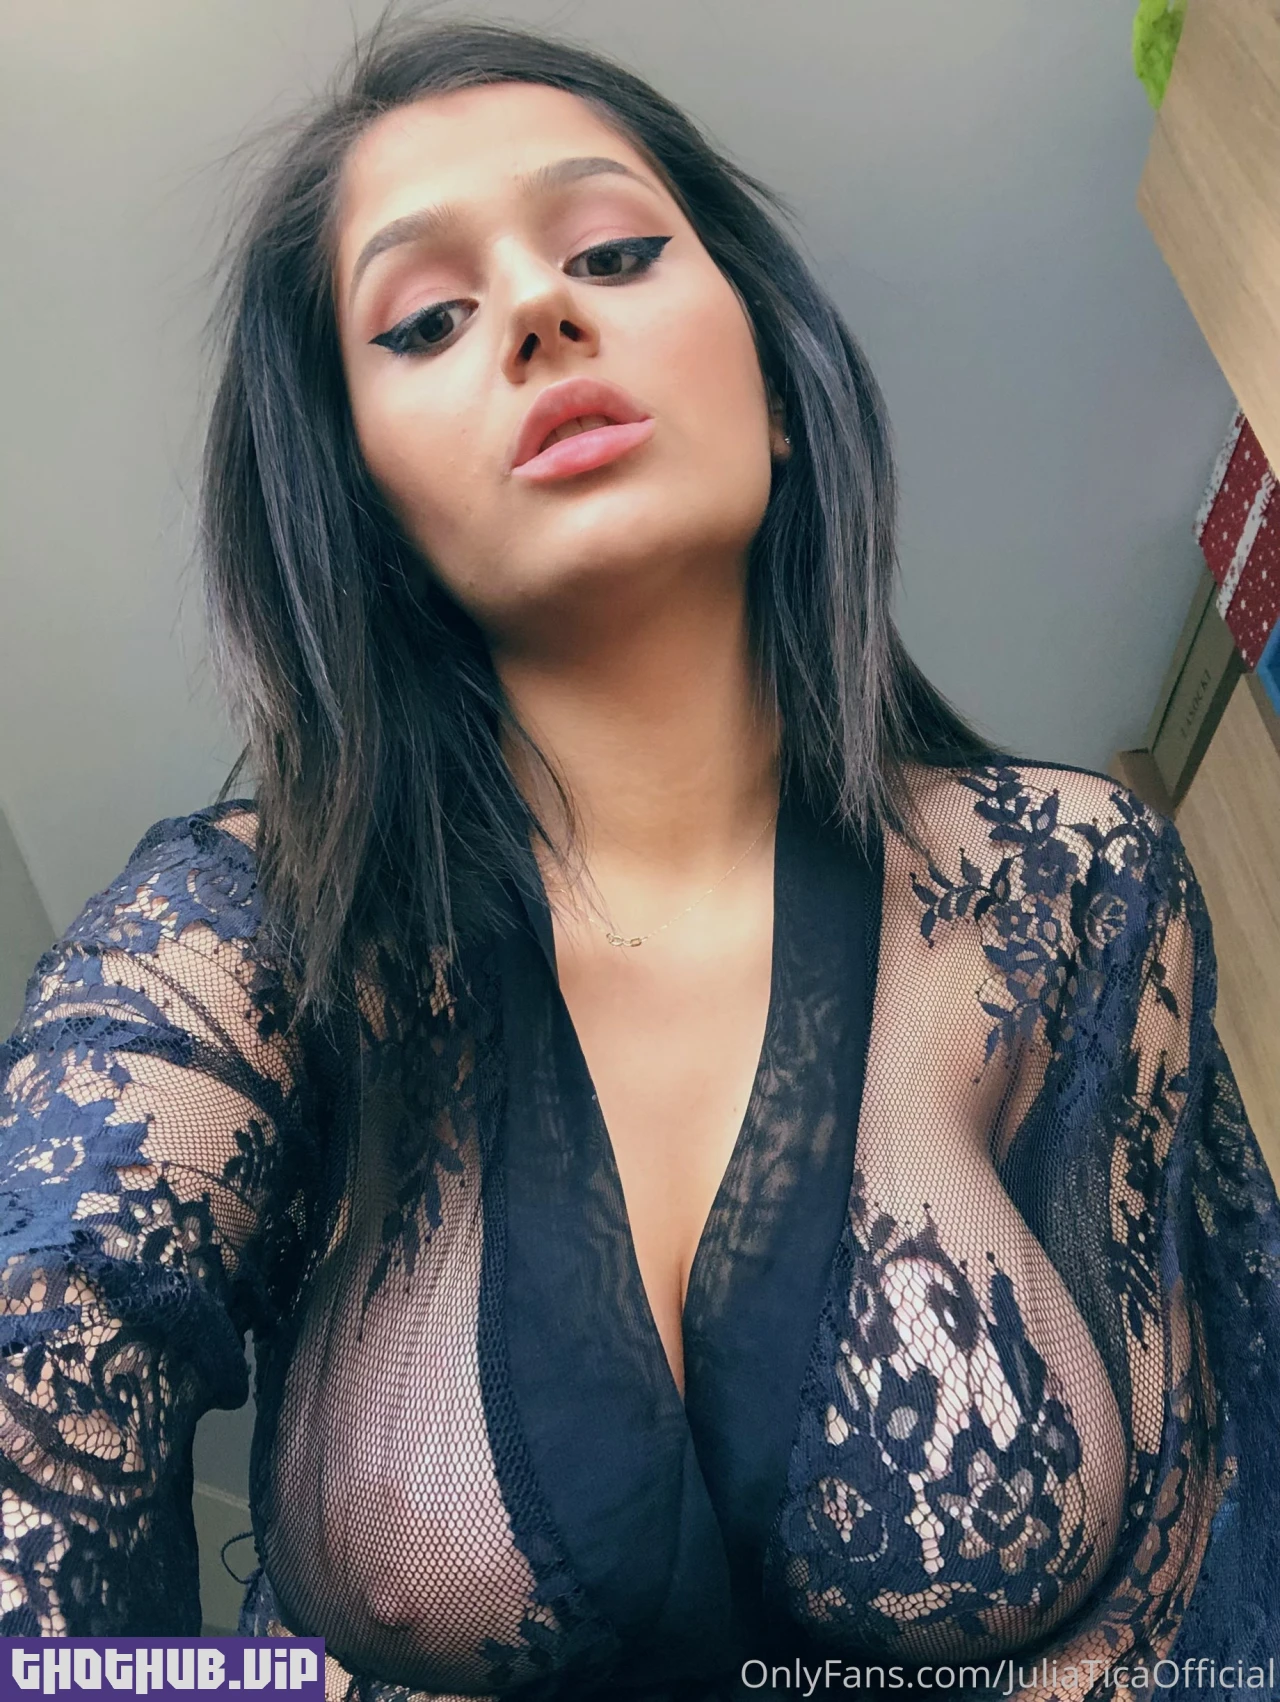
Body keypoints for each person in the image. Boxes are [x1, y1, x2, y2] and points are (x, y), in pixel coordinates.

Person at [2, 14, 1278, 1702]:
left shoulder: (1080, 882)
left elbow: (1192, 1549)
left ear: (779, 393)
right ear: (366, 511)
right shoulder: (238, 940)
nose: (540, 310)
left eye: (611, 250)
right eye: (427, 320)